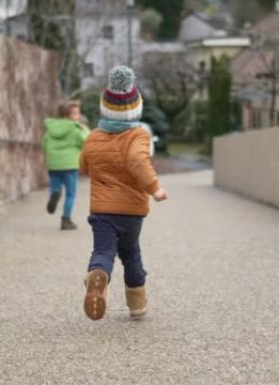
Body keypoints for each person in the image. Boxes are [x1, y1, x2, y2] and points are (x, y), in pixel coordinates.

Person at [79, 65, 167, 321]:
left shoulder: (94, 136)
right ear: (135, 109)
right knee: (131, 254)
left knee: (103, 252)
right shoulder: (138, 135)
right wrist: (155, 188)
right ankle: (137, 304)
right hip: (130, 210)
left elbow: (84, 165)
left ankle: (98, 275)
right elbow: (137, 161)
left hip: (101, 210)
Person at [42, 101, 89, 230]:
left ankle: (55, 194)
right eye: (76, 113)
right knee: (70, 194)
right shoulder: (75, 128)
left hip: (54, 165)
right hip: (70, 165)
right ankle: (66, 220)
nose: (78, 116)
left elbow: (44, 144)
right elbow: (87, 142)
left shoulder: (51, 129)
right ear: (69, 115)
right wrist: (85, 130)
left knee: (55, 188)